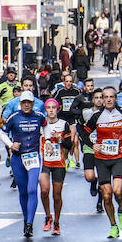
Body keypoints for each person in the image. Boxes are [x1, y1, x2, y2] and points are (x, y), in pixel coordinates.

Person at [81, 87, 122, 238]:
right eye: (105, 97)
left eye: (111, 97)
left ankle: (121, 209)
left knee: (118, 191)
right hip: (101, 159)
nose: (108, 99)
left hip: (118, 157)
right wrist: (93, 145)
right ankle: (113, 226)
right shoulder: (96, 116)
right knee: (106, 195)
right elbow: (84, 132)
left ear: (115, 98)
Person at [0, 91, 46, 238]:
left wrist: (48, 141)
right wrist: (11, 145)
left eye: (29, 102)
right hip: (18, 159)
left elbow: (46, 128)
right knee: (23, 192)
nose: (26, 104)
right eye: (23, 102)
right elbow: (2, 133)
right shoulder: (14, 117)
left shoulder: (39, 116)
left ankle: (30, 224)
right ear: (20, 103)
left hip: (33, 158)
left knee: (32, 189)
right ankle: (26, 220)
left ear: (32, 103)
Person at [38, 99, 72, 235]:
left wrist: (61, 140)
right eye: (48, 108)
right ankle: (48, 217)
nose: (51, 110)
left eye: (53, 107)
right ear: (45, 110)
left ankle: (57, 222)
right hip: (45, 163)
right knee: (44, 191)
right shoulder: (41, 125)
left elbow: (70, 145)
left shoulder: (64, 124)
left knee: (56, 196)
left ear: (57, 109)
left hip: (59, 163)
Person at [53, 73, 83, 170]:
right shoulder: (60, 92)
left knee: (73, 140)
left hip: (72, 118)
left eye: (70, 81)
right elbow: (54, 102)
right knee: (64, 140)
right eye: (67, 81)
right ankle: (65, 159)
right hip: (62, 118)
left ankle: (70, 156)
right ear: (64, 82)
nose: (69, 83)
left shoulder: (76, 91)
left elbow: (81, 103)